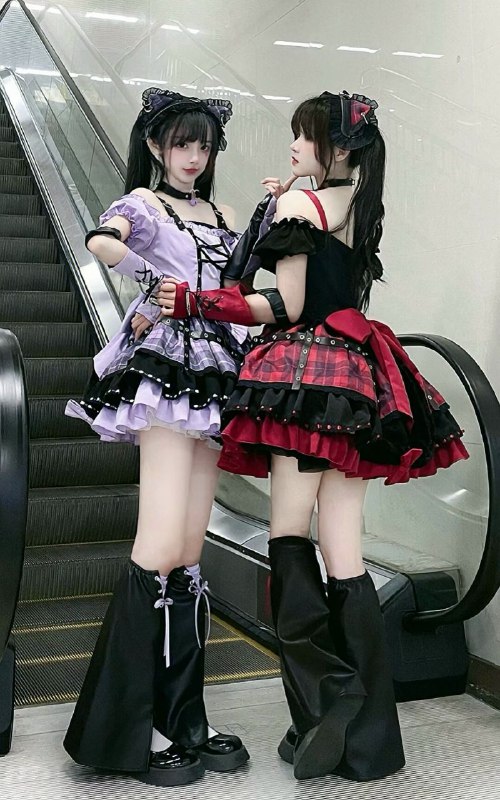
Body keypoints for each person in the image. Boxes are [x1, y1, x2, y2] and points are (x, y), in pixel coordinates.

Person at [156, 90, 469, 782]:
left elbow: (283, 303)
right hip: (361, 383)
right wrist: (279, 203)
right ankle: (369, 741)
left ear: (334, 146)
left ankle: (326, 702)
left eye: (303, 136)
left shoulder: (301, 206)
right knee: (347, 554)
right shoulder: (359, 201)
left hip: (305, 382)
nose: (293, 145)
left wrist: (196, 302)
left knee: (289, 538)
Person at [63, 87, 250, 787]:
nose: (193, 158)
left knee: (191, 552)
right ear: (155, 146)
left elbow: (236, 282)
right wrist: (151, 279)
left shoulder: (222, 214)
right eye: (181, 145)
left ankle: (184, 719)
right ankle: (122, 729)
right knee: (159, 543)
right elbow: (101, 238)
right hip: (167, 370)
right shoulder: (144, 203)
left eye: (203, 146)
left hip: (218, 371)